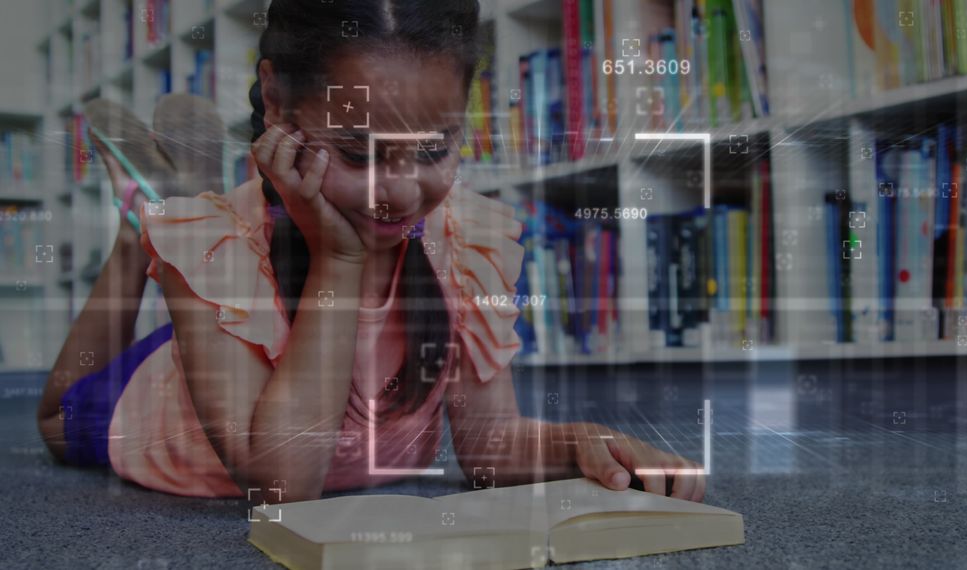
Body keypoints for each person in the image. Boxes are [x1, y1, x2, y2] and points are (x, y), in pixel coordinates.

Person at [38, 0, 705, 503]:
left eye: (436, 148)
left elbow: (487, 448)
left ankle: (165, 206)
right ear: (275, 100)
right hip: (177, 391)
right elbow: (280, 483)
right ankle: (143, 223)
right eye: (361, 152)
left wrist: (578, 440)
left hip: (250, 324)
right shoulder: (218, 250)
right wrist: (341, 260)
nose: (403, 192)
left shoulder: (464, 239)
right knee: (56, 421)